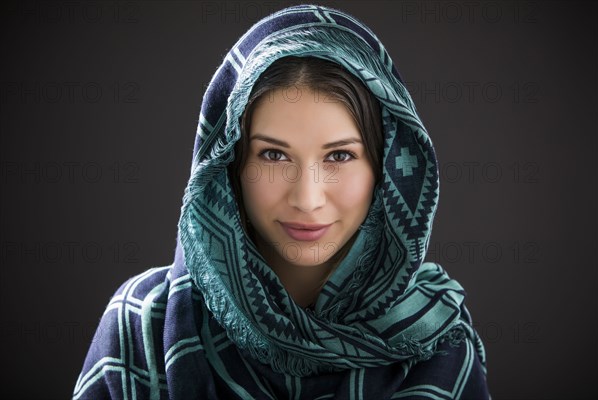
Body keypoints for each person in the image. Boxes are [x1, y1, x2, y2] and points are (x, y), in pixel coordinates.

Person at [73, 4, 490, 399]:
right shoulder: (144, 325)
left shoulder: (439, 340)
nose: (307, 199)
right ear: (229, 166)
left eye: (339, 156)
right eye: (273, 155)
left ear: (386, 170)